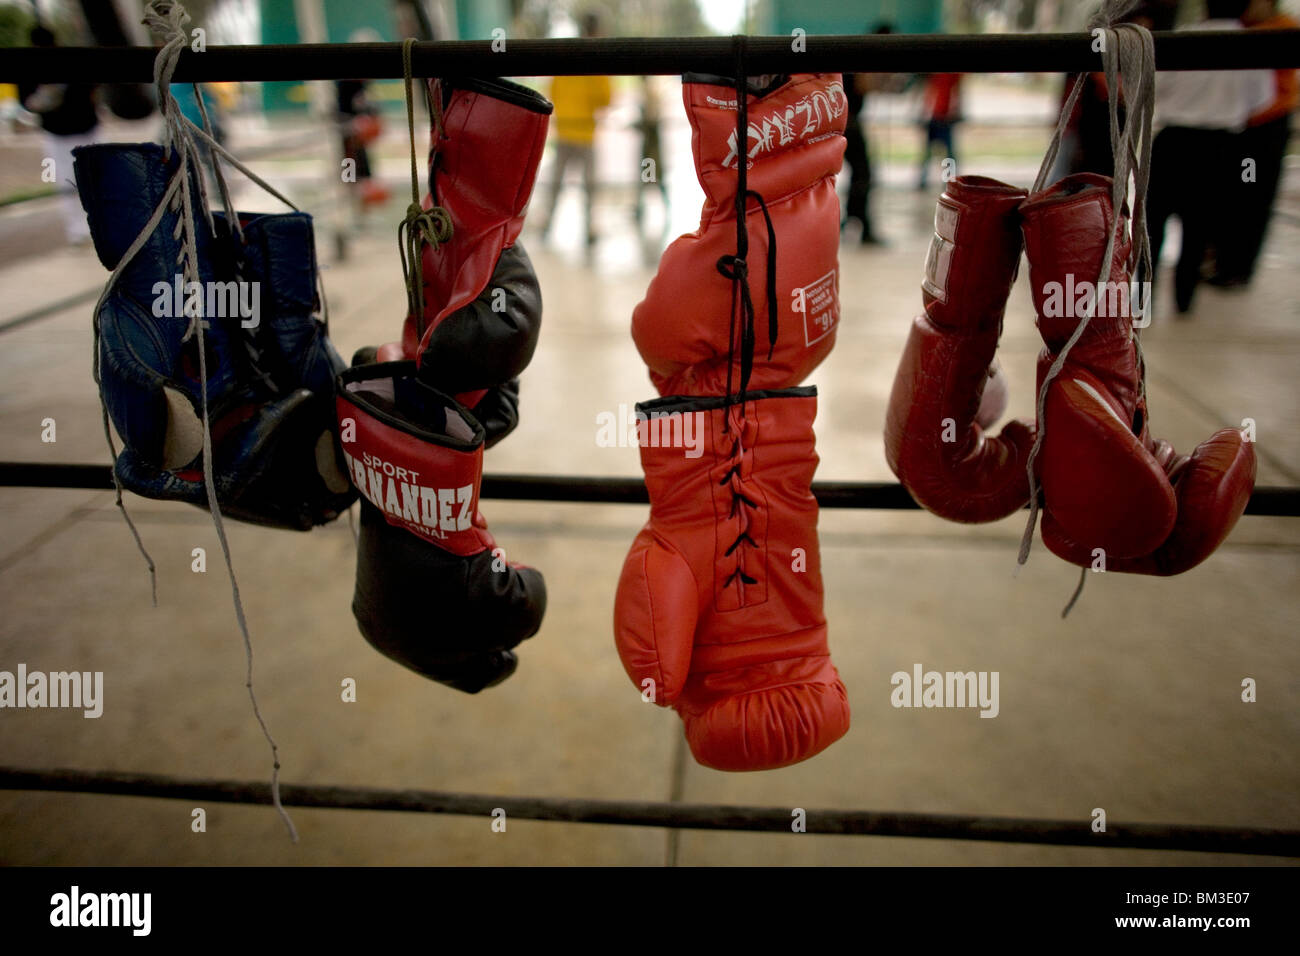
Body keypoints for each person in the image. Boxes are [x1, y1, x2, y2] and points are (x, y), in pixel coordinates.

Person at [1146, 0, 1273, 315]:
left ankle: (1141, 299)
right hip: (1220, 145)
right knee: (1198, 228)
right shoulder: (1251, 45)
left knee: (1152, 225)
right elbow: (1264, 99)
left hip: (1174, 140)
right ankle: (1184, 300)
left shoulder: (1181, 40)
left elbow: (1154, 86)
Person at [1207, 0, 1297, 286]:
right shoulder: (1246, 28)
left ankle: (1237, 268)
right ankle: (1223, 261)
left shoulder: (1283, 30)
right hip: (1243, 125)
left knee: (1252, 193)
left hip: (1265, 127)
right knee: (1232, 194)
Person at [17, 25, 99, 244]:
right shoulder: (29, 66)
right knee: (71, 182)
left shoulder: (69, 58)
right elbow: (28, 103)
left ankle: (90, 228)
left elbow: (91, 88)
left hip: (82, 128)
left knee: (87, 179)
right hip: (61, 132)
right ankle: (79, 230)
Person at [538, 12, 612, 250]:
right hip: (585, 131)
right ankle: (589, 230)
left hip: (565, 128)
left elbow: (553, 88)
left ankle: (547, 225)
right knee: (590, 185)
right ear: (597, 30)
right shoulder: (598, 59)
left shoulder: (567, 54)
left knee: (556, 183)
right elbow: (606, 98)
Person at [842, 23, 894, 245]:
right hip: (848, 122)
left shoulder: (859, 51)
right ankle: (860, 223)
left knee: (860, 173)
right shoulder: (863, 54)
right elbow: (864, 85)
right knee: (863, 173)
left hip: (845, 121)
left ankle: (853, 218)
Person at [917, 73, 961, 191]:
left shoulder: (952, 76)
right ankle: (924, 179)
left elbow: (956, 91)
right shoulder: (933, 76)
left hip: (945, 117)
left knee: (948, 154)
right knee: (930, 152)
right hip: (934, 116)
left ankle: (948, 181)